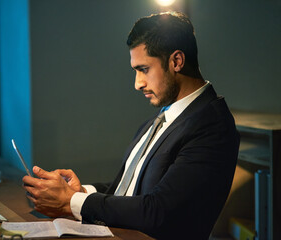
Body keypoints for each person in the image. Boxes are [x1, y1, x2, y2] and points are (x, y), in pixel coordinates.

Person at [22, 11, 240, 240]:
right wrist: (80, 192)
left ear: (176, 61)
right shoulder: (162, 117)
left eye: (144, 69)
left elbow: (158, 210)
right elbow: (131, 189)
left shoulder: (212, 124)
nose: (138, 84)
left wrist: (71, 202)